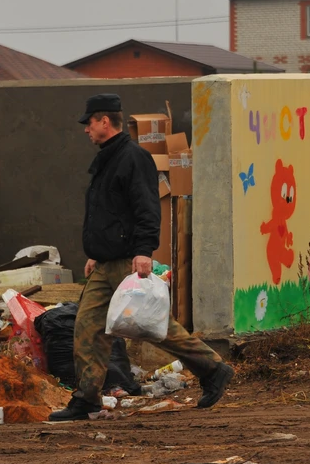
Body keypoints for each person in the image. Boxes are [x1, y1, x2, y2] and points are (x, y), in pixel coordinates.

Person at [49, 93, 234, 420]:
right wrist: (95, 253)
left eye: (89, 123)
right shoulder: (107, 157)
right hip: (105, 265)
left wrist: (144, 251)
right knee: (88, 327)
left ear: (104, 121)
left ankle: (213, 369)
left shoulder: (133, 158)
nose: (85, 129)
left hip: (126, 262)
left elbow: (146, 207)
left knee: (154, 326)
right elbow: (105, 213)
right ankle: (87, 397)